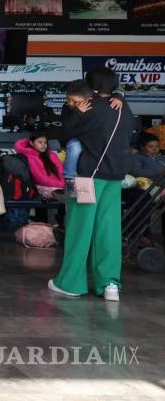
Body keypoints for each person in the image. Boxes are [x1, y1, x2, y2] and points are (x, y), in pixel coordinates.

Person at [50, 68, 135, 302]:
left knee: (79, 228)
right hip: (114, 177)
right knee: (108, 230)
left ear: (91, 87)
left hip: (87, 177)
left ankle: (70, 283)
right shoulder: (123, 107)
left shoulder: (88, 108)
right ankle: (110, 284)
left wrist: (75, 113)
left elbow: (64, 134)